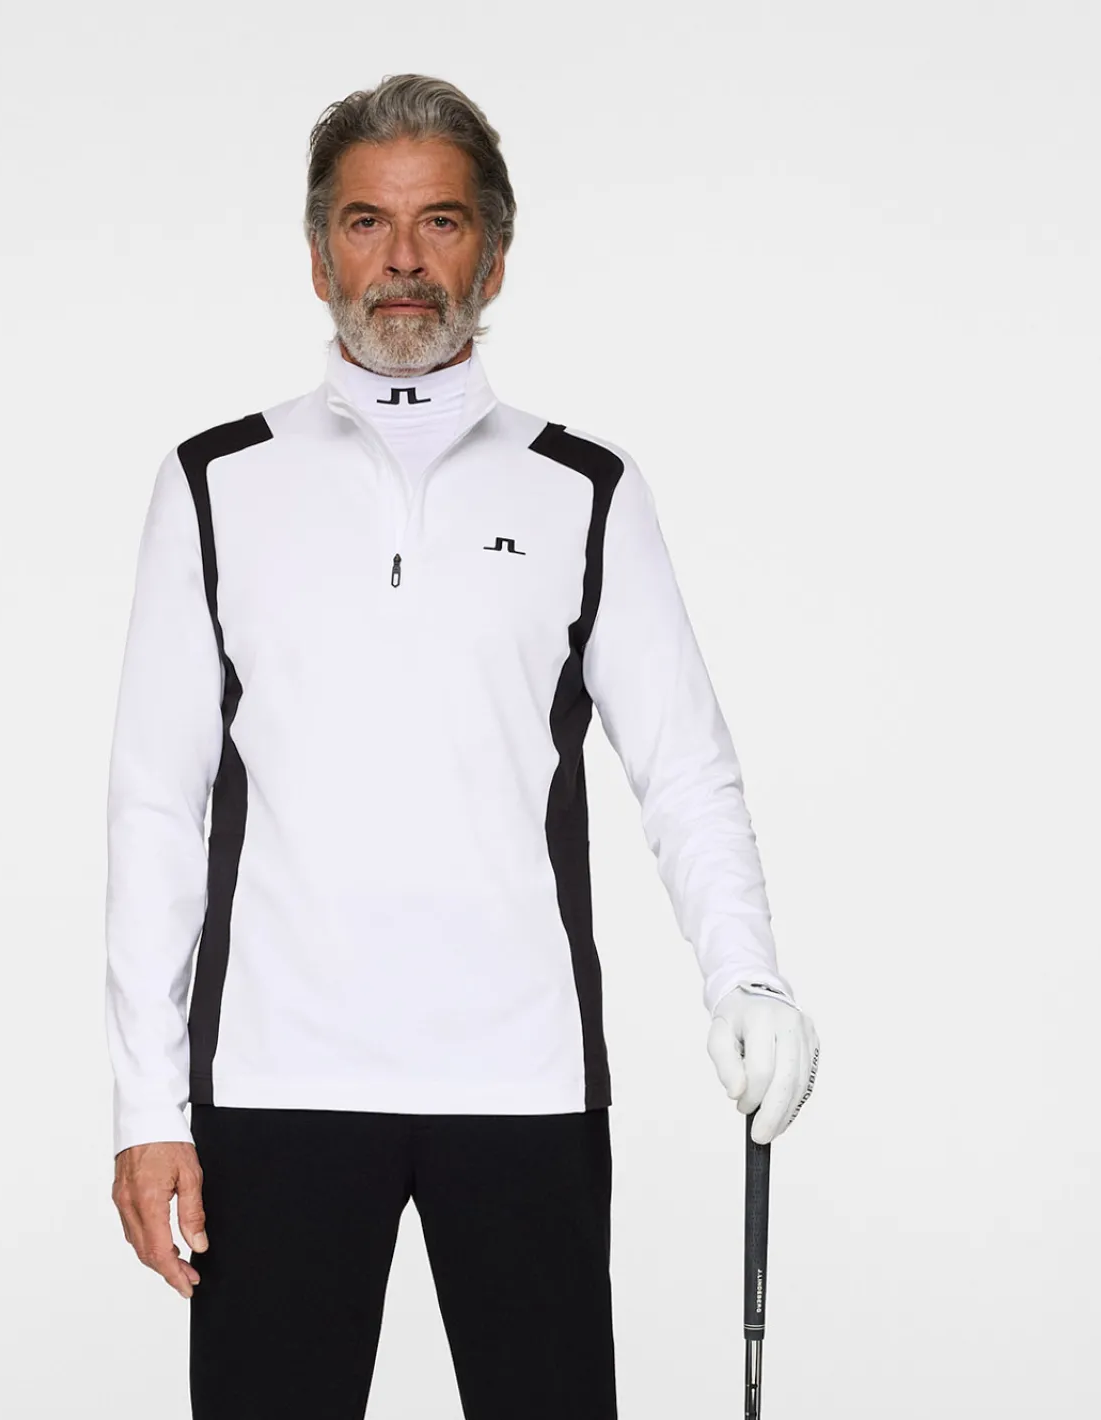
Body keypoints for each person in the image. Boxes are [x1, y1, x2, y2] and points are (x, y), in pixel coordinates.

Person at [104, 72, 820, 1420]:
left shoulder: (584, 489)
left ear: (493, 250)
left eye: (439, 222)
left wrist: (748, 975)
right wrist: (149, 1108)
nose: (403, 260)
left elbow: (685, 769)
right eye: (365, 223)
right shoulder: (216, 482)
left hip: (523, 1078)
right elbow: (156, 803)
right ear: (318, 252)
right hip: (276, 1079)